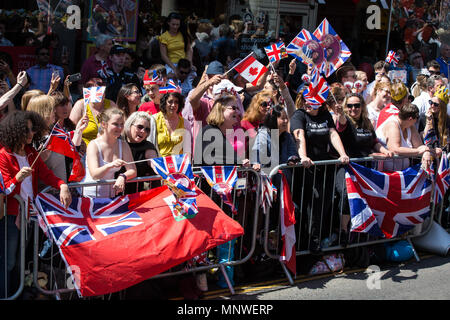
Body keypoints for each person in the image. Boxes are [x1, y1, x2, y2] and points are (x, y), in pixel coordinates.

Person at [0, 110, 72, 298]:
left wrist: (62, 185)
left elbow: (47, 175)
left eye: (34, 129)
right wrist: (17, 179)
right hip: (12, 216)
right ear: (17, 131)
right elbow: (6, 190)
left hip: (30, 215)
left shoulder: (32, 153)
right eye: (29, 130)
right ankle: (6, 294)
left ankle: (17, 292)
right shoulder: (3, 155)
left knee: (21, 260)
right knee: (8, 261)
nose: (33, 133)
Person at [290, 93, 350, 253]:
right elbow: (299, 135)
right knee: (311, 204)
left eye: (313, 101)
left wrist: (342, 154)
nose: (308, 103)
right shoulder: (299, 115)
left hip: (325, 167)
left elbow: (333, 133)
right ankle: (310, 241)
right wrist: (303, 156)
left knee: (325, 202)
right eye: (306, 100)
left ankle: (320, 238)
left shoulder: (324, 115)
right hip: (308, 168)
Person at [83, 108, 137, 198]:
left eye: (122, 124)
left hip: (110, 196)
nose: (119, 128)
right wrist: (110, 165)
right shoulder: (93, 145)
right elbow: (95, 175)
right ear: (104, 124)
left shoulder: (123, 145)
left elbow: (133, 170)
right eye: (115, 124)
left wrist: (123, 176)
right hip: (90, 196)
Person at [194, 94, 249, 166]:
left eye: (237, 108)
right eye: (233, 108)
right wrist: (237, 162)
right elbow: (207, 158)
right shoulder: (209, 132)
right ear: (220, 110)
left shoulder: (220, 133)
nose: (237, 112)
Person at [377, 103, 433, 171]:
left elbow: (419, 146)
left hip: (403, 171)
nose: (416, 122)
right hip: (386, 171)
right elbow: (394, 149)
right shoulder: (393, 124)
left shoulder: (410, 126)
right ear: (410, 119)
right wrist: (418, 151)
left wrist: (427, 152)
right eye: (416, 119)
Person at [69, 78, 117, 147]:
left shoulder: (111, 105)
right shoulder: (81, 105)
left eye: (100, 91)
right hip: (84, 150)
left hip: (106, 147)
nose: (98, 94)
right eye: (95, 91)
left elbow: (118, 125)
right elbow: (70, 129)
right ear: (88, 93)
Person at [122, 111, 159, 194]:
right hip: (114, 193)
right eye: (140, 127)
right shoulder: (118, 142)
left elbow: (155, 165)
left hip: (137, 196)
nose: (143, 131)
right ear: (130, 125)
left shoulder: (148, 147)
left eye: (147, 129)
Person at [153, 92, 191, 157]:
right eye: (170, 102)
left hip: (179, 163)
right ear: (164, 103)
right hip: (160, 162)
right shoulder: (154, 119)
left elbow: (187, 149)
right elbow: (151, 146)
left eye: (176, 102)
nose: (173, 105)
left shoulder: (185, 123)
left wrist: (187, 164)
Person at [420, 86, 450, 151]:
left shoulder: (447, 120)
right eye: (431, 102)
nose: (432, 106)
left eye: (436, 104)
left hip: (443, 154)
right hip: (429, 152)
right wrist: (429, 121)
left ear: (442, 107)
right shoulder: (423, 117)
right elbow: (424, 138)